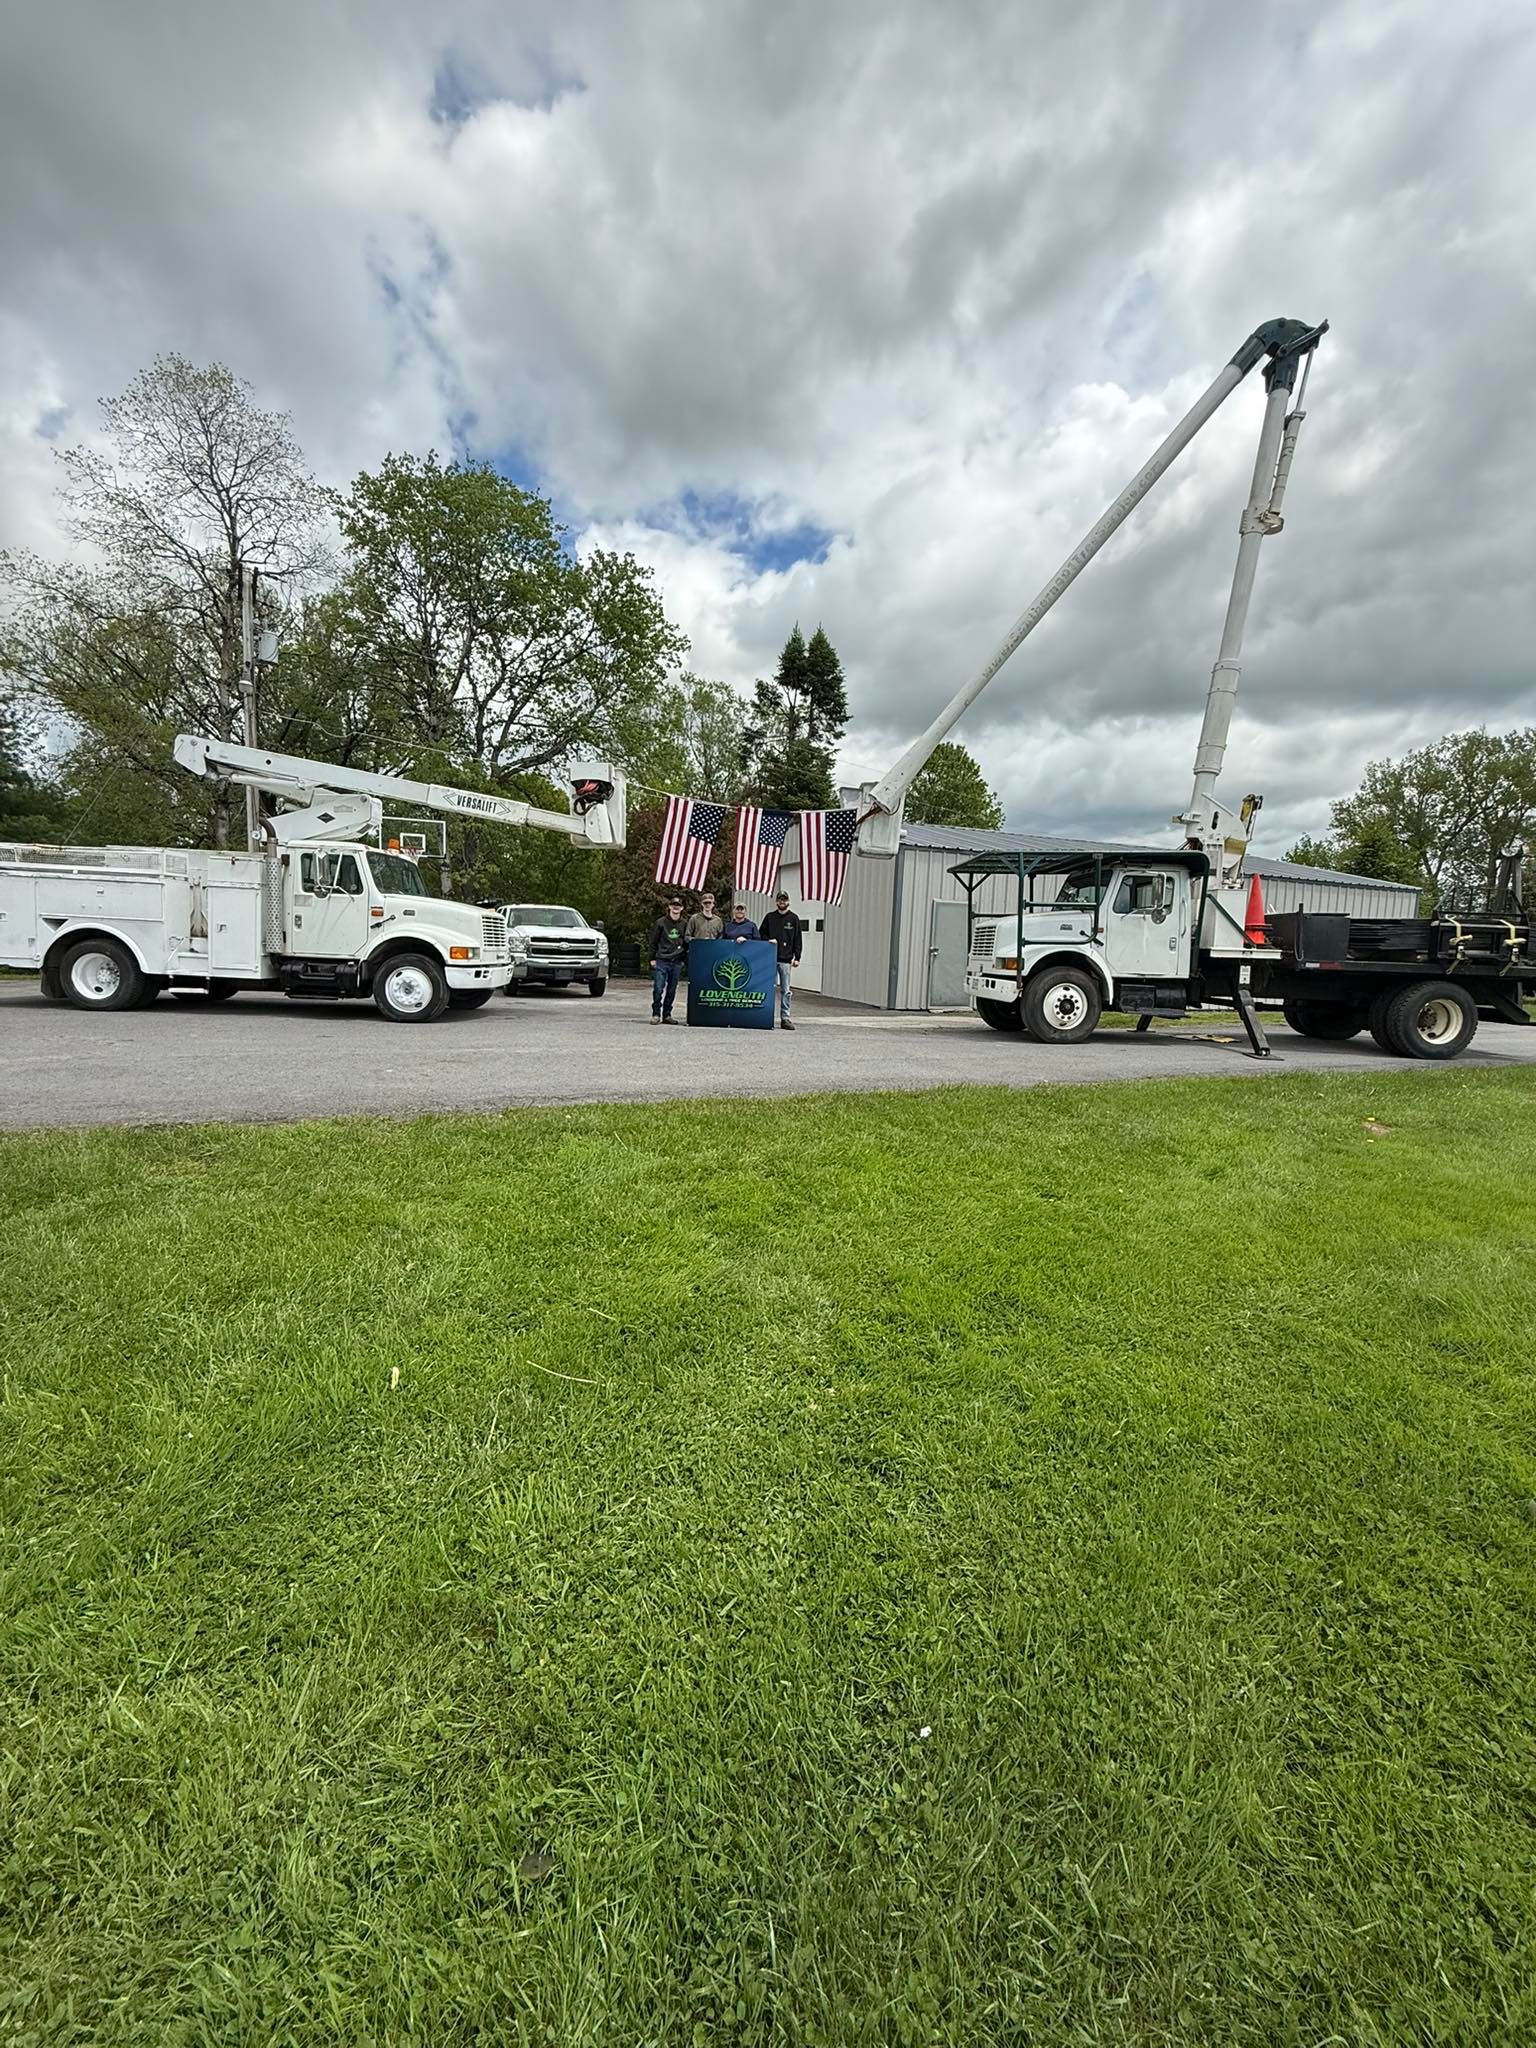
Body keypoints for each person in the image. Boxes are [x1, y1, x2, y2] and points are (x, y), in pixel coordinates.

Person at [759, 890, 804, 1030]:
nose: (782, 902)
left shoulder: (794, 918)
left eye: (784, 900)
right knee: (769, 988)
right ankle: (767, 1016)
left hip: (786, 959)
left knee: (786, 990)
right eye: (780, 900)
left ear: (788, 901)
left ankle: (785, 1018)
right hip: (771, 958)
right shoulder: (770, 917)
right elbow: (762, 934)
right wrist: (768, 940)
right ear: (776, 902)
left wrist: (798, 957)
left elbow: (798, 939)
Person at [649, 896, 688, 1024]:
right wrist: (652, 958)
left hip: (676, 961)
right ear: (669, 907)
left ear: (682, 908)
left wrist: (683, 959)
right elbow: (653, 942)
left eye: (678, 906)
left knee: (672, 989)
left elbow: (686, 943)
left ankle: (667, 1014)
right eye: (673, 905)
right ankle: (656, 1014)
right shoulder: (660, 922)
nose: (675, 908)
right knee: (658, 988)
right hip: (662, 960)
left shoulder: (684, 924)